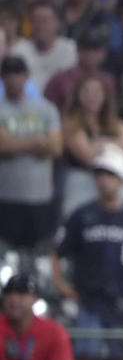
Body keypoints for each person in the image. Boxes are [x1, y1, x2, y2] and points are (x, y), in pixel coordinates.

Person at [51, 146, 123, 360]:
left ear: (121, 180)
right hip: (88, 299)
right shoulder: (82, 214)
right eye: (99, 175)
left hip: (122, 300)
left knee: (120, 357)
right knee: (85, 355)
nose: (103, 181)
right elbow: (57, 251)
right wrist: (60, 284)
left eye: (109, 175)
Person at [0, 55, 62, 253]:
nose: (13, 79)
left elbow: (55, 147)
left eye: (17, 74)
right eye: (8, 74)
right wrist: (37, 140)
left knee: (39, 255)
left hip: (39, 196)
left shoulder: (46, 109)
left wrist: (13, 142)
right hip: (6, 195)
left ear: (26, 76)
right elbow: (2, 147)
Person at [60, 75, 123, 217]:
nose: (92, 97)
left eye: (97, 92)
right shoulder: (71, 124)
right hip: (82, 184)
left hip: (114, 185)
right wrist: (118, 146)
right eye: (86, 92)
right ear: (77, 95)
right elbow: (88, 157)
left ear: (105, 96)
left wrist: (103, 143)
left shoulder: (115, 122)